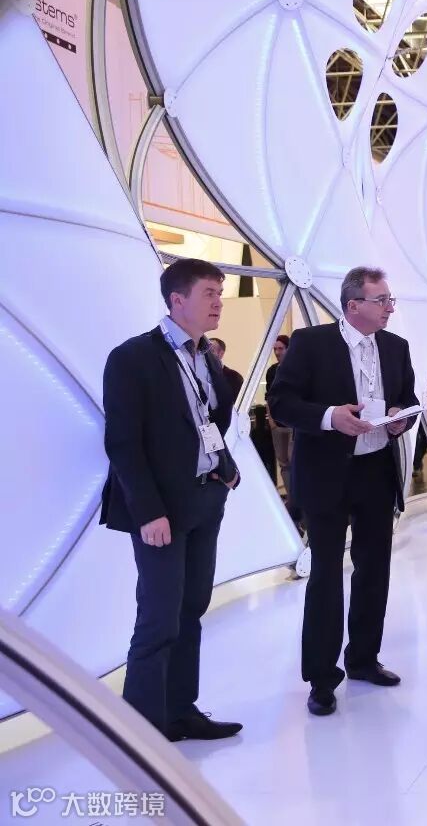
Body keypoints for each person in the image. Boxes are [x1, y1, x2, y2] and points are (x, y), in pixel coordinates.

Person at [100, 258, 242, 741]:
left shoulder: (206, 356)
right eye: (209, 293)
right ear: (177, 300)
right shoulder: (132, 357)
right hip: (161, 510)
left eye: (220, 293)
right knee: (159, 617)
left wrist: (226, 469)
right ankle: (139, 734)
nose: (219, 302)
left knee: (192, 608)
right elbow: (123, 443)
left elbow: (210, 422)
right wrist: (148, 512)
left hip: (205, 500)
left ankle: (180, 711)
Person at [267, 267, 418, 717]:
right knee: (327, 575)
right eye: (381, 300)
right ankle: (321, 678)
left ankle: (364, 659)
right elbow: (281, 403)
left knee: (374, 570)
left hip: (376, 470)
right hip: (327, 473)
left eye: (390, 300)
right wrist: (330, 416)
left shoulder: (396, 347)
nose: (389, 308)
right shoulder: (311, 343)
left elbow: (409, 399)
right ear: (353, 305)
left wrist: (400, 418)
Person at [266, 334, 292, 497]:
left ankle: (299, 501)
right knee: (283, 463)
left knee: (295, 462)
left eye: (280, 348)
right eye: (275, 349)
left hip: (293, 425)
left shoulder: (297, 368)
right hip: (278, 424)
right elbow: (269, 397)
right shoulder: (272, 371)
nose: (277, 352)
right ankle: (291, 498)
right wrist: (271, 420)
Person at [208, 337, 244, 402]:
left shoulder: (234, 377)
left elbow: (238, 402)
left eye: (211, 351)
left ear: (221, 354)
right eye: (205, 351)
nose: (206, 354)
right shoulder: (199, 373)